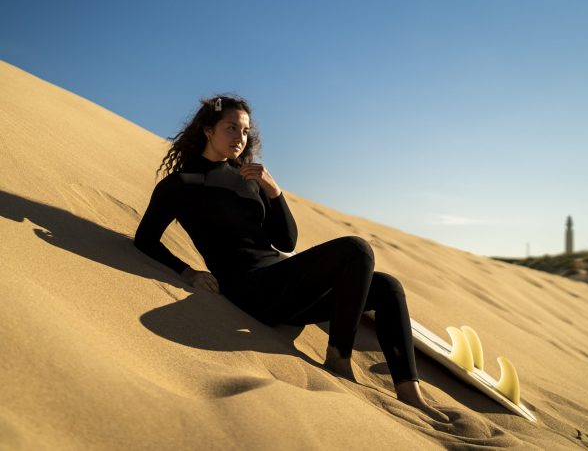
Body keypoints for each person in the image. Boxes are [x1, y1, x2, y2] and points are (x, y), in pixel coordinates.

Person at [134, 94, 444, 419]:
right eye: (231, 128)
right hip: (250, 291)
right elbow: (146, 239)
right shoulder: (182, 184)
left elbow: (286, 240)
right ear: (208, 130)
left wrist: (274, 191)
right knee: (356, 248)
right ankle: (339, 357)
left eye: (244, 131)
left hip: (285, 288)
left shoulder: (247, 179)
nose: (240, 137)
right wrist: (187, 272)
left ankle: (409, 391)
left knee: (387, 287)